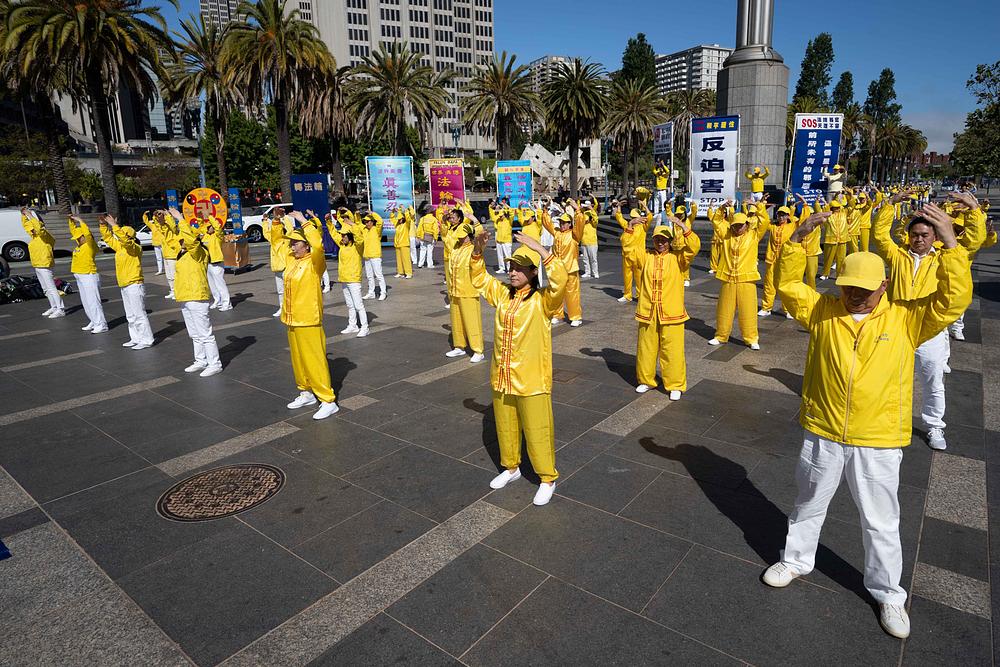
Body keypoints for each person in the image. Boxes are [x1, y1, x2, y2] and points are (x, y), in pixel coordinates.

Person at [762, 207, 972, 640]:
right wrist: (798, 241)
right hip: (823, 430)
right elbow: (787, 285)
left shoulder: (908, 318)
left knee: (880, 519)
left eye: (863, 289)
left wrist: (951, 243)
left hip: (877, 437)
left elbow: (952, 300)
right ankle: (797, 560)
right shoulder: (823, 310)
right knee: (808, 504)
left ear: (885, 285)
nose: (854, 295)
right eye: (847, 287)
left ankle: (889, 593)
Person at [470, 230, 567, 506]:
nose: (513, 273)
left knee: (538, 429)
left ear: (533, 273)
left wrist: (540, 248)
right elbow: (479, 279)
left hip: (532, 379)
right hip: (502, 376)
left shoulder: (543, 301)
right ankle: (511, 468)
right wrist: (478, 252)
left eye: (520, 268)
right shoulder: (503, 295)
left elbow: (560, 282)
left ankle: (547, 478)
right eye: (511, 267)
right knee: (505, 426)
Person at [282, 211, 339, 419]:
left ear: (306, 245)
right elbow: (278, 242)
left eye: (297, 243)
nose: (293, 246)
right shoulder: (292, 261)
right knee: (298, 359)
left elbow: (318, 244)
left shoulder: (315, 262)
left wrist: (305, 222)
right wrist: (282, 222)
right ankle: (306, 392)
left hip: (308, 318)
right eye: (292, 243)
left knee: (314, 359)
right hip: (292, 318)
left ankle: (327, 399)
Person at [634, 218, 700, 398]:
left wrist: (684, 227)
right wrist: (631, 226)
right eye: (657, 239)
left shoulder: (678, 258)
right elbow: (629, 250)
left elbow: (694, 247)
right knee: (646, 348)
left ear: (670, 241)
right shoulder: (646, 256)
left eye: (664, 239)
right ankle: (646, 380)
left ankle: (675, 385)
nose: (661, 243)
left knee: (672, 349)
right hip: (648, 310)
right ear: (653, 240)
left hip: (672, 312)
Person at [167, 209, 223, 378]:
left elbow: (191, 241)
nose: (181, 241)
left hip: (197, 297)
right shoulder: (182, 255)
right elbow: (169, 240)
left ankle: (215, 363)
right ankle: (201, 360)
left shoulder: (200, 252)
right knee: (194, 334)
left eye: (184, 239)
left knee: (205, 334)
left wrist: (181, 220)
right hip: (185, 297)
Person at [709, 201, 770, 349]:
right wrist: (722, 208)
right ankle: (721, 335)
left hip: (746, 278)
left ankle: (751, 338)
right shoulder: (726, 234)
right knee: (724, 309)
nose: (737, 228)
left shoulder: (754, 235)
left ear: (747, 224)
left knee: (748, 310)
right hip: (728, 277)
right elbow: (716, 221)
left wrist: (757, 204)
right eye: (735, 225)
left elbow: (765, 221)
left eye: (741, 225)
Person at [99, 215, 154, 350]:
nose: (118, 238)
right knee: (130, 315)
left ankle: (147, 339)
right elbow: (108, 238)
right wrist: (103, 225)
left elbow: (124, 240)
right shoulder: (121, 248)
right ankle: (136, 338)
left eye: (122, 235)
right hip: (124, 285)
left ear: (128, 236)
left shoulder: (134, 247)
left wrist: (114, 225)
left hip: (134, 284)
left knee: (139, 314)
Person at [444, 219, 485, 362]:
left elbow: (481, 239)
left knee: (471, 321)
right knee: (456, 321)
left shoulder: (473, 249)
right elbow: (446, 237)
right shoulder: (456, 248)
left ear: (469, 235)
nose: (461, 238)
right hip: (455, 291)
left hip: (468, 291)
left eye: (463, 235)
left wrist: (474, 220)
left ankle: (478, 349)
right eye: (459, 236)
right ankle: (459, 347)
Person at [326, 212, 369, 337]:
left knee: (358, 305)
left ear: (350, 236)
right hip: (344, 278)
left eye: (344, 235)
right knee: (350, 305)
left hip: (354, 279)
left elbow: (360, 238)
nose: (342, 237)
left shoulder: (357, 246)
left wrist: (353, 225)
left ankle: (365, 327)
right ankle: (353, 325)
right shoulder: (342, 245)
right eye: (342, 235)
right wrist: (329, 222)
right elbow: (334, 234)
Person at [541, 205, 584, 326]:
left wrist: (578, 210)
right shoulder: (557, 233)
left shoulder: (575, 235)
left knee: (572, 294)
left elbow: (580, 224)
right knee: (557, 293)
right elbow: (547, 224)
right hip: (558, 269)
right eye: (561, 222)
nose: (562, 225)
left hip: (570, 268)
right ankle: (557, 314)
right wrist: (545, 211)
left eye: (565, 222)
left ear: (570, 224)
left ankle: (575, 317)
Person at [20, 208, 65, 317]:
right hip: (37, 265)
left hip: (45, 264)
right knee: (45, 288)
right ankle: (54, 307)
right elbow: (26, 226)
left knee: (51, 287)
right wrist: (24, 216)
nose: (32, 230)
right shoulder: (34, 237)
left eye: (33, 228)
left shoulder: (44, 235)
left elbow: (39, 228)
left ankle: (60, 309)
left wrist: (30, 215)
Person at [67, 215, 107, 333]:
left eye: (79, 238)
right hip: (80, 275)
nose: (77, 240)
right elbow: (74, 231)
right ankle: (93, 321)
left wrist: (81, 221)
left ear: (84, 237)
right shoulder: (79, 245)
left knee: (93, 301)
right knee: (86, 301)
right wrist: (71, 221)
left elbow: (88, 234)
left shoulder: (90, 245)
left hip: (89, 275)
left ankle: (101, 324)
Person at [758, 204, 797, 318]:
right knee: (769, 284)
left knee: (785, 285)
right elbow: (764, 221)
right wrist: (762, 206)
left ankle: (788, 309)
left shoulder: (792, 226)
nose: (781, 217)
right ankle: (766, 307)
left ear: (788, 216)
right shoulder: (773, 227)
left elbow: (804, 220)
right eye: (779, 215)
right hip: (772, 259)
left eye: (784, 215)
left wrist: (804, 204)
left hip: (785, 260)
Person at [614, 200, 653, 303]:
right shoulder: (628, 225)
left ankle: (641, 295)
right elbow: (619, 217)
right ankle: (627, 295)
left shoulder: (643, 227)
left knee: (639, 277)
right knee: (627, 276)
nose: (634, 219)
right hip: (627, 256)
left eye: (636, 217)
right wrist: (618, 207)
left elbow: (650, 217)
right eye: (632, 217)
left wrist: (645, 205)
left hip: (639, 256)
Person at [201, 217, 233, 311]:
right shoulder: (205, 236)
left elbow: (218, 228)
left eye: (210, 227)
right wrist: (200, 218)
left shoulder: (218, 235)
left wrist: (210, 217)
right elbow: (201, 227)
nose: (209, 228)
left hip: (217, 262)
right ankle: (217, 300)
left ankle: (227, 303)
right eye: (208, 227)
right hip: (208, 263)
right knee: (212, 284)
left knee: (220, 284)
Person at [149, 210, 179, 299]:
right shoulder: (160, 228)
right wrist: (155, 216)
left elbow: (172, 225)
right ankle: (172, 290)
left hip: (172, 255)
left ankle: (177, 291)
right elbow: (158, 224)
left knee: (174, 275)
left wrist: (167, 215)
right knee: (169, 276)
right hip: (166, 254)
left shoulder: (171, 228)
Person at [819, 197, 849, 280]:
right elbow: (820, 210)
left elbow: (851, 204)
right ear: (831, 208)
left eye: (837, 207)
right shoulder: (828, 215)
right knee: (828, 258)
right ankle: (825, 273)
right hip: (831, 240)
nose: (836, 209)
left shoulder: (844, 213)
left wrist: (848, 195)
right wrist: (819, 202)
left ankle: (839, 275)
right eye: (834, 207)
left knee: (841, 259)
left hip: (842, 239)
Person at [359, 211, 386, 300]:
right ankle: (371, 293)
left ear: (372, 222)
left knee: (378, 275)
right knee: (369, 276)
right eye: (365, 222)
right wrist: (356, 214)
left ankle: (383, 292)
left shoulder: (376, 229)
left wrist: (372, 213)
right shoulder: (364, 230)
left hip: (375, 256)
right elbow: (357, 224)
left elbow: (380, 221)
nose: (366, 223)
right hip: (367, 256)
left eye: (368, 221)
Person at [489, 200, 513, 273]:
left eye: (501, 215)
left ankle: (510, 269)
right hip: (499, 240)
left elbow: (511, 212)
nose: (500, 217)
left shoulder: (509, 220)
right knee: (500, 255)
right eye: (499, 215)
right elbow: (492, 215)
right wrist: (491, 206)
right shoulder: (498, 220)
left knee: (508, 256)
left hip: (507, 241)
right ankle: (502, 268)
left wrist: (505, 205)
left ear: (505, 214)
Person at [579, 197, 600, 279]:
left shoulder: (593, 217)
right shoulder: (583, 214)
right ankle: (587, 272)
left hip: (592, 241)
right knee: (585, 258)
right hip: (584, 240)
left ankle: (595, 272)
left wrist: (591, 209)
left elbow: (596, 220)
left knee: (593, 259)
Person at [390, 207, 413, 279]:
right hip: (398, 245)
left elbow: (408, 218)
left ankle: (408, 272)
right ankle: (400, 272)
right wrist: (393, 212)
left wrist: (405, 210)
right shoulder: (397, 225)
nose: (399, 220)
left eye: (401, 219)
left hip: (405, 244)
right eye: (399, 219)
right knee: (399, 260)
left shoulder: (406, 224)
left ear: (403, 218)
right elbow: (392, 219)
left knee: (406, 259)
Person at [416, 203, 438, 269]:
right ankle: (430, 264)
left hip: (423, 236)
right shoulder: (434, 219)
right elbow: (435, 230)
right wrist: (436, 237)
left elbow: (419, 228)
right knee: (429, 251)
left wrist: (418, 236)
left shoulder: (422, 218)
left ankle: (420, 264)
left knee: (422, 250)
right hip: (430, 237)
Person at [145, 210, 165, 275]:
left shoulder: (163, 224)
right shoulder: (152, 226)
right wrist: (145, 215)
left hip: (163, 243)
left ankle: (167, 269)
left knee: (165, 257)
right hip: (156, 244)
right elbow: (146, 221)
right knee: (159, 258)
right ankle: (160, 270)